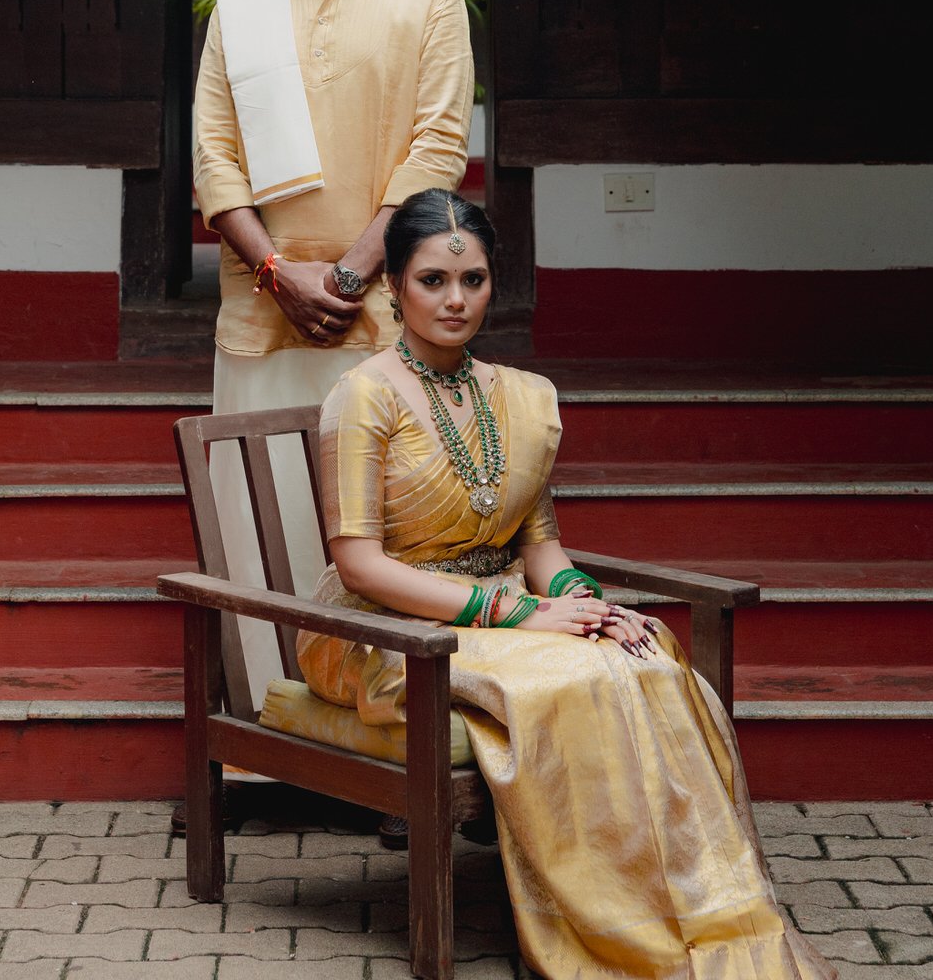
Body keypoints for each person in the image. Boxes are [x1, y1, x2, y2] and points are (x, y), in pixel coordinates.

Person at [296, 189, 836, 980]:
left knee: (647, 655)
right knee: (571, 674)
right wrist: (517, 615)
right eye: (432, 281)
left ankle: (694, 910)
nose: (455, 300)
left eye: (472, 281)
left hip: (508, 609)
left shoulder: (519, 396)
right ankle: (610, 932)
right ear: (393, 287)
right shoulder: (364, 393)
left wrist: (585, 602)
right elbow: (359, 564)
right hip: (385, 630)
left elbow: (538, 541)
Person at [193, 0, 475, 702]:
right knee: (256, 523)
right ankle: (268, 746)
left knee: (393, 532)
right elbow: (213, 155)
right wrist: (278, 273)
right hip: (262, 310)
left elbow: (437, 147)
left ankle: (396, 744)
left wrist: (352, 271)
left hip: (386, 315)